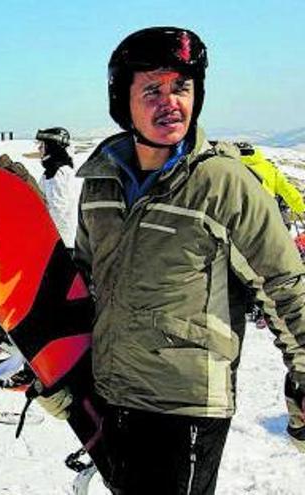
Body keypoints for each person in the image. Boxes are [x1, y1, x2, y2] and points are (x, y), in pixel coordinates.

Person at [36, 27, 305, 494]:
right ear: (124, 101)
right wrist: (59, 367)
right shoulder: (100, 184)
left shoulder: (222, 184)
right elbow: (86, 284)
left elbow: (284, 284)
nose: (171, 101)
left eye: (181, 87)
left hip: (185, 407)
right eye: (152, 89)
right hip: (112, 393)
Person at [235, 142, 305, 229]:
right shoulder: (268, 167)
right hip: (270, 211)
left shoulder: (231, 167)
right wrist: (300, 207)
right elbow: (286, 189)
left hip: (242, 214)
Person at [35, 127, 77, 247]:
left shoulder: (58, 173)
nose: (39, 149)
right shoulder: (53, 172)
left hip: (61, 243)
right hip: (58, 241)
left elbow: (58, 211)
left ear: (51, 147)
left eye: (42, 145)